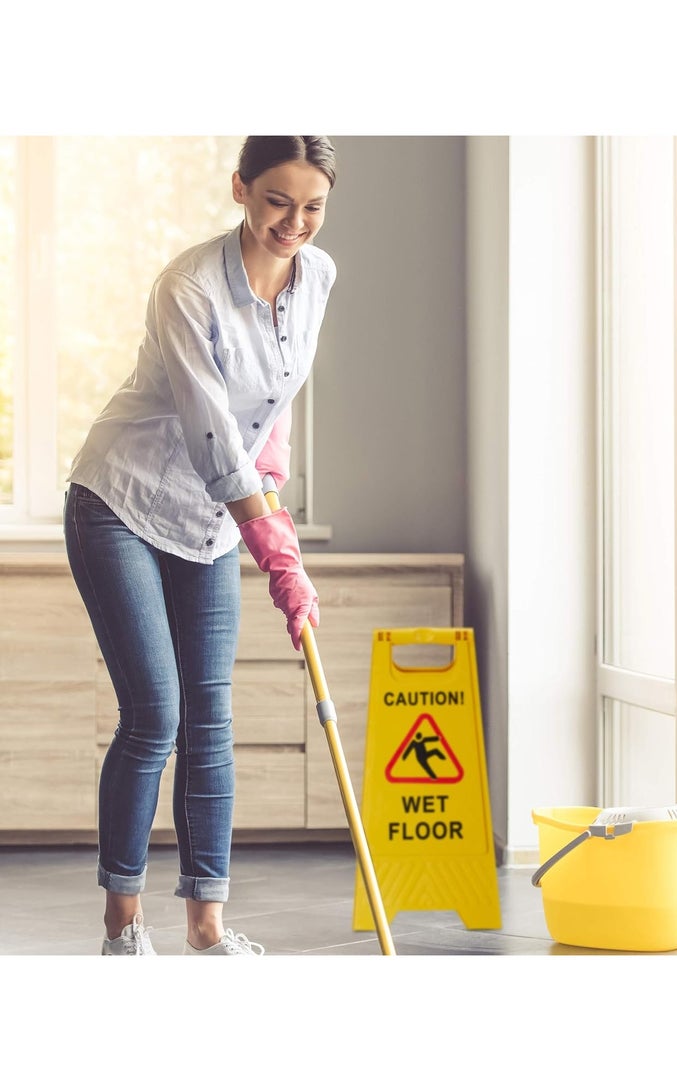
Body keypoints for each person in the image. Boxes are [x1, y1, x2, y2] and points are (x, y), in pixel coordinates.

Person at [63, 135, 337, 956]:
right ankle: (123, 924)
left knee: (210, 720)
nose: (295, 222)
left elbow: (277, 392)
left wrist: (275, 476)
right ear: (240, 190)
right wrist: (278, 550)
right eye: (277, 200)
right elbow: (213, 430)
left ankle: (208, 928)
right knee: (157, 713)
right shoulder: (187, 286)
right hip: (123, 499)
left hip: (214, 519)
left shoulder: (319, 277)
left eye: (313, 205)